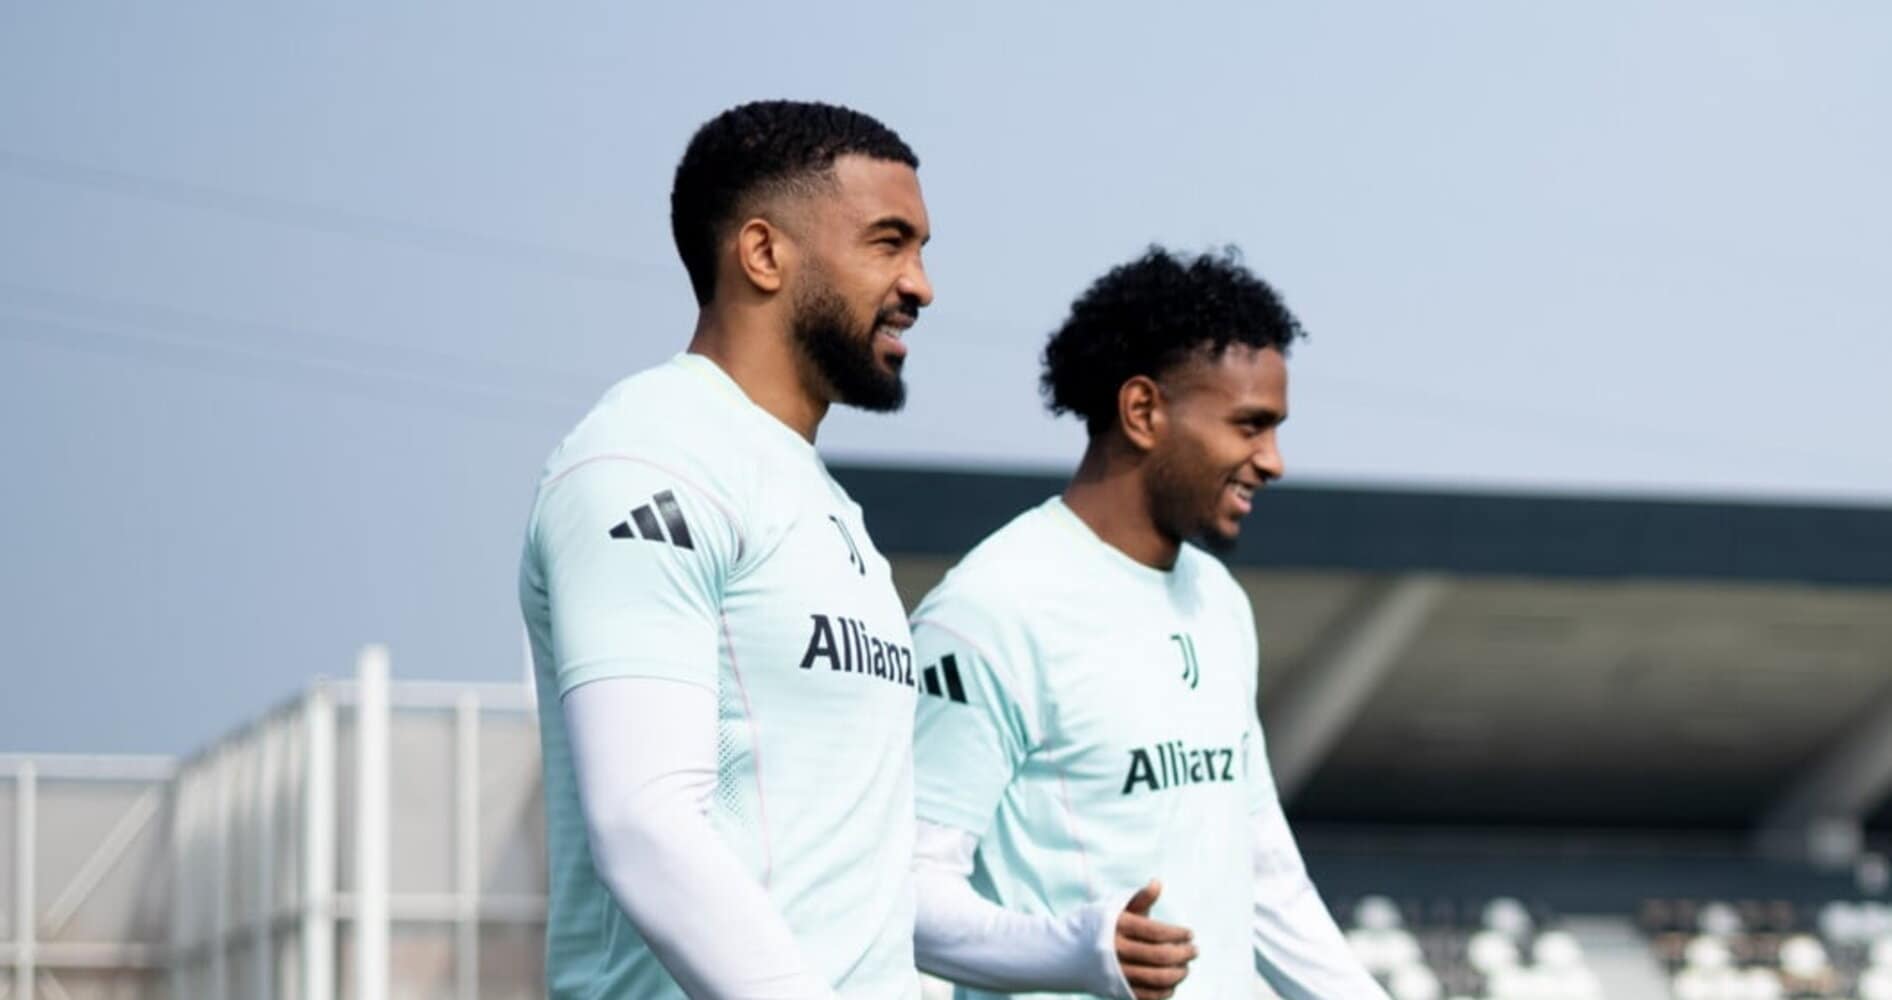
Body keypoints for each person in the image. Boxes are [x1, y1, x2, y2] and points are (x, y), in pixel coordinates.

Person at [518, 99, 933, 999]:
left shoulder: (827, 505)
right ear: (763, 253)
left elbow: (862, 878)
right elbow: (645, 823)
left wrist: (1076, 946)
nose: (921, 285)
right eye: (888, 244)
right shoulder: (646, 453)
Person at [908, 248, 1388, 999]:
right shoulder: (991, 609)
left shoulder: (1218, 600)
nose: (1273, 461)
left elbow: (1264, 872)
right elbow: (903, 890)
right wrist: (1075, 950)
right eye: (1250, 426)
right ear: (1142, 411)